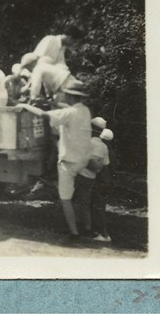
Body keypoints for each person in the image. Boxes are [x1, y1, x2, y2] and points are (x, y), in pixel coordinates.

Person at [17, 85, 92, 241]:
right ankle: (88, 228)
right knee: (84, 198)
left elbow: (44, 115)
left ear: (70, 96)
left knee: (65, 198)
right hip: (83, 160)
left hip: (68, 162)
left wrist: (24, 105)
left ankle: (74, 233)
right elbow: (65, 109)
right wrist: (51, 103)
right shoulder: (85, 110)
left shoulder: (69, 113)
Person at [72, 118, 111, 237]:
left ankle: (82, 227)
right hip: (91, 178)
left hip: (80, 175)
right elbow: (104, 164)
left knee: (78, 201)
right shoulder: (103, 146)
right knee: (85, 202)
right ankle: (86, 226)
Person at [90, 128, 115, 242]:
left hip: (102, 182)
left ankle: (104, 234)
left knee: (98, 208)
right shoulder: (111, 152)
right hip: (107, 182)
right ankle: (100, 231)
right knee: (100, 207)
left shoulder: (104, 151)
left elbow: (100, 168)